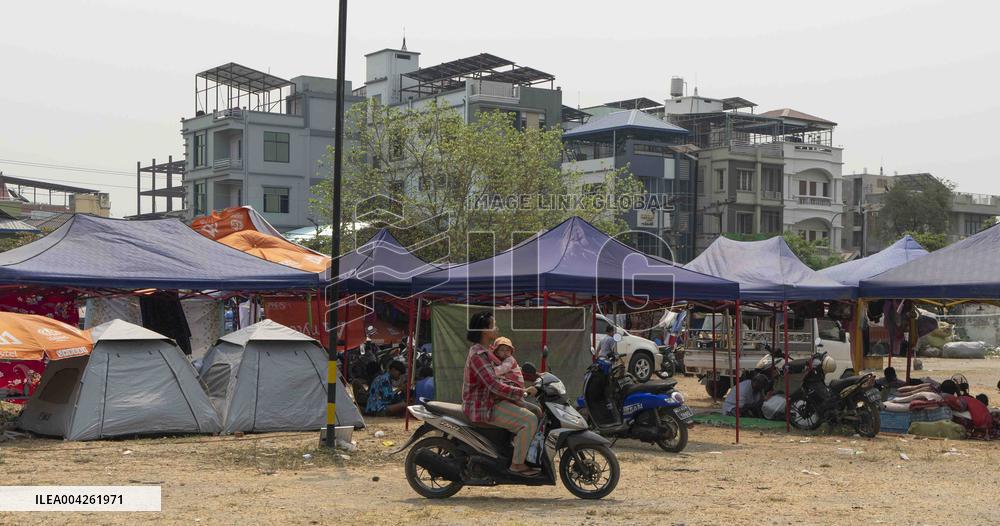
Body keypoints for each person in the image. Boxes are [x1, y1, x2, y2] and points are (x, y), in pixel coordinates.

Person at [462, 311, 539, 476]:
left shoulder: (488, 351)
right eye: (493, 325)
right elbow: (494, 385)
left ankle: (516, 451)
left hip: (492, 400)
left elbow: (506, 372)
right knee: (529, 420)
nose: (497, 328)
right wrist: (523, 392)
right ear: (484, 330)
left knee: (536, 411)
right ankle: (517, 465)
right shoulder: (478, 355)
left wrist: (537, 376)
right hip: (483, 405)